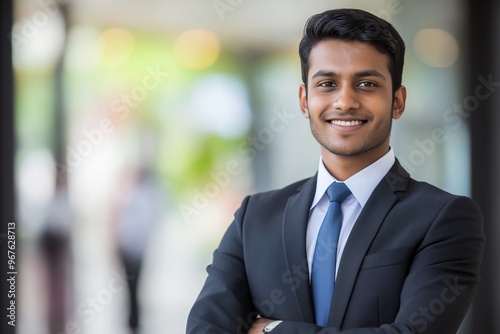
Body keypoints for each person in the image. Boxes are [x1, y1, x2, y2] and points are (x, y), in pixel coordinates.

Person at [186, 8, 485, 334]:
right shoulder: (254, 218)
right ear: (304, 100)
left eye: (367, 83)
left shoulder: (443, 218)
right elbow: (205, 328)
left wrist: (272, 330)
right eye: (327, 83)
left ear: (397, 102)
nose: (344, 101)